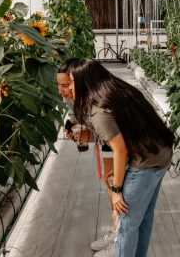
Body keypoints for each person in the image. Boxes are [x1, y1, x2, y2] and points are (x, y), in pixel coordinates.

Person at [67, 58, 174, 257]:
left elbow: (121, 151)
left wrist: (116, 190)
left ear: (85, 82)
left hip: (146, 162)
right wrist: (91, 136)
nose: (70, 86)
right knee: (142, 220)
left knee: (125, 222)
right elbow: (125, 134)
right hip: (161, 154)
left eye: (72, 81)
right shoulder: (118, 92)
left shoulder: (99, 111)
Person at [56, 59, 116, 253]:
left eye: (67, 85)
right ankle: (117, 232)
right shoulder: (71, 98)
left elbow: (112, 133)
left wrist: (90, 134)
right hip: (108, 144)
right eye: (60, 85)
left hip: (124, 147)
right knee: (111, 189)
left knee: (119, 192)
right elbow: (77, 119)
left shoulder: (101, 100)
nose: (63, 91)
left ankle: (120, 241)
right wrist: (74, 128)